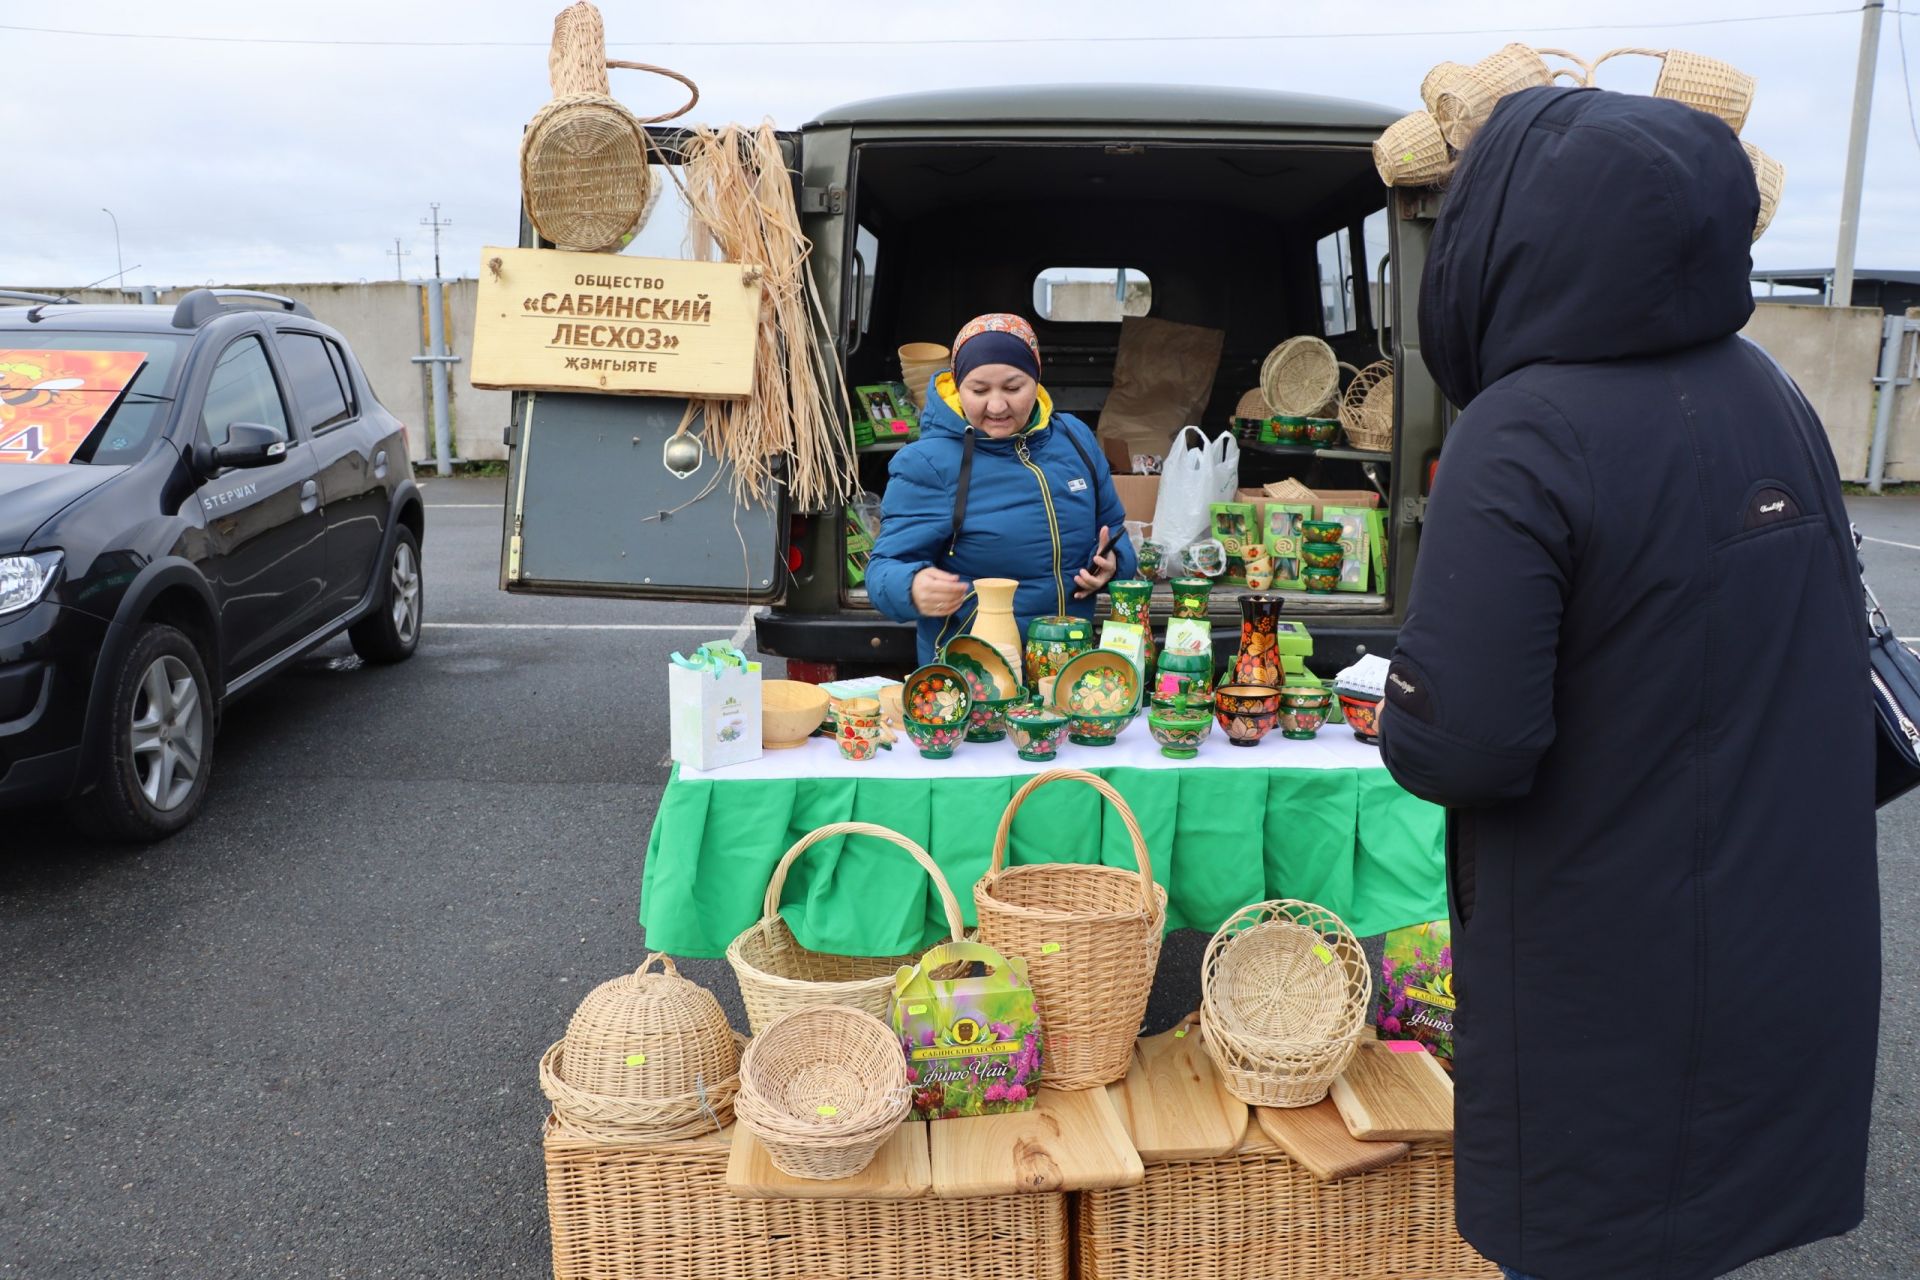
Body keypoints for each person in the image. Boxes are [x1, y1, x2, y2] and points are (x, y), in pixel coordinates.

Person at [1377, 88, 1880, 1280]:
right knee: (1700, 1230)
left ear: (1506, 238)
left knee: (1594, 1234)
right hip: (1776, 922)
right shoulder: (1771, 389)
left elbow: (1467, 746)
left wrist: (1407, 690)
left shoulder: (1523, 426)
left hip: (1604, 947)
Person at [867, 313, 1138, 664]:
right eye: (979, 390)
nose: (996, 406)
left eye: (1013, 388)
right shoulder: (927, 462)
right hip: (975, 673)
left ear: (1036, 381)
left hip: (1065, 663)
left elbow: (1114, 529)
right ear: (958, 386)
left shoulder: (1074, 438)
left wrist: (1115, 562)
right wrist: (912, 586)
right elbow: (884, 568)